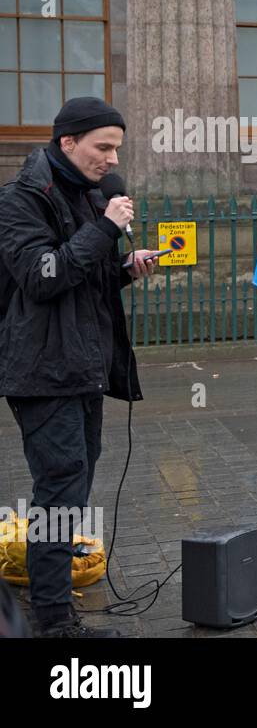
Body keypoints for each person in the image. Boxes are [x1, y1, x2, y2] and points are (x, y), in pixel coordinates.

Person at [0, 96, 160, 637]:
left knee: (73, 486)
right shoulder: (22, 198)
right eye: (103, 147)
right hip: (43, 370)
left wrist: (124, 269)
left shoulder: (88, 194)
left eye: (117, 148)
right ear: (67, 143)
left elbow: (81, 275)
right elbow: (42, 276)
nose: (113, 159)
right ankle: (53, 620)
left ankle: (54, 604)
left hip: (82, 367)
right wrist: (107, 230)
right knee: (60, 490)